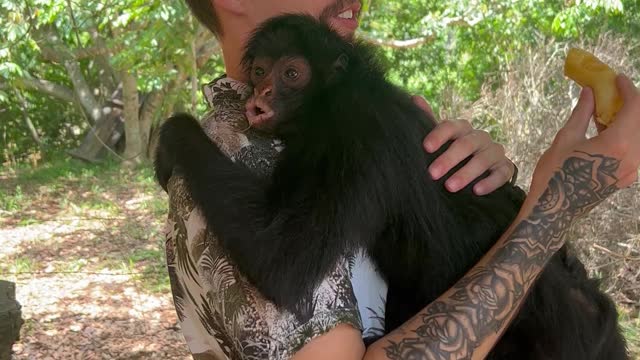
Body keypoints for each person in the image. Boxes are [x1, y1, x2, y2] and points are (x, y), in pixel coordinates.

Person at [163, 0, 640, 359]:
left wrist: (498, 188)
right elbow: (285, 266)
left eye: (289, 72)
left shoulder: (333, 115)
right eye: (271, 73)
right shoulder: (234, 152)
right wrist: (553, 207)